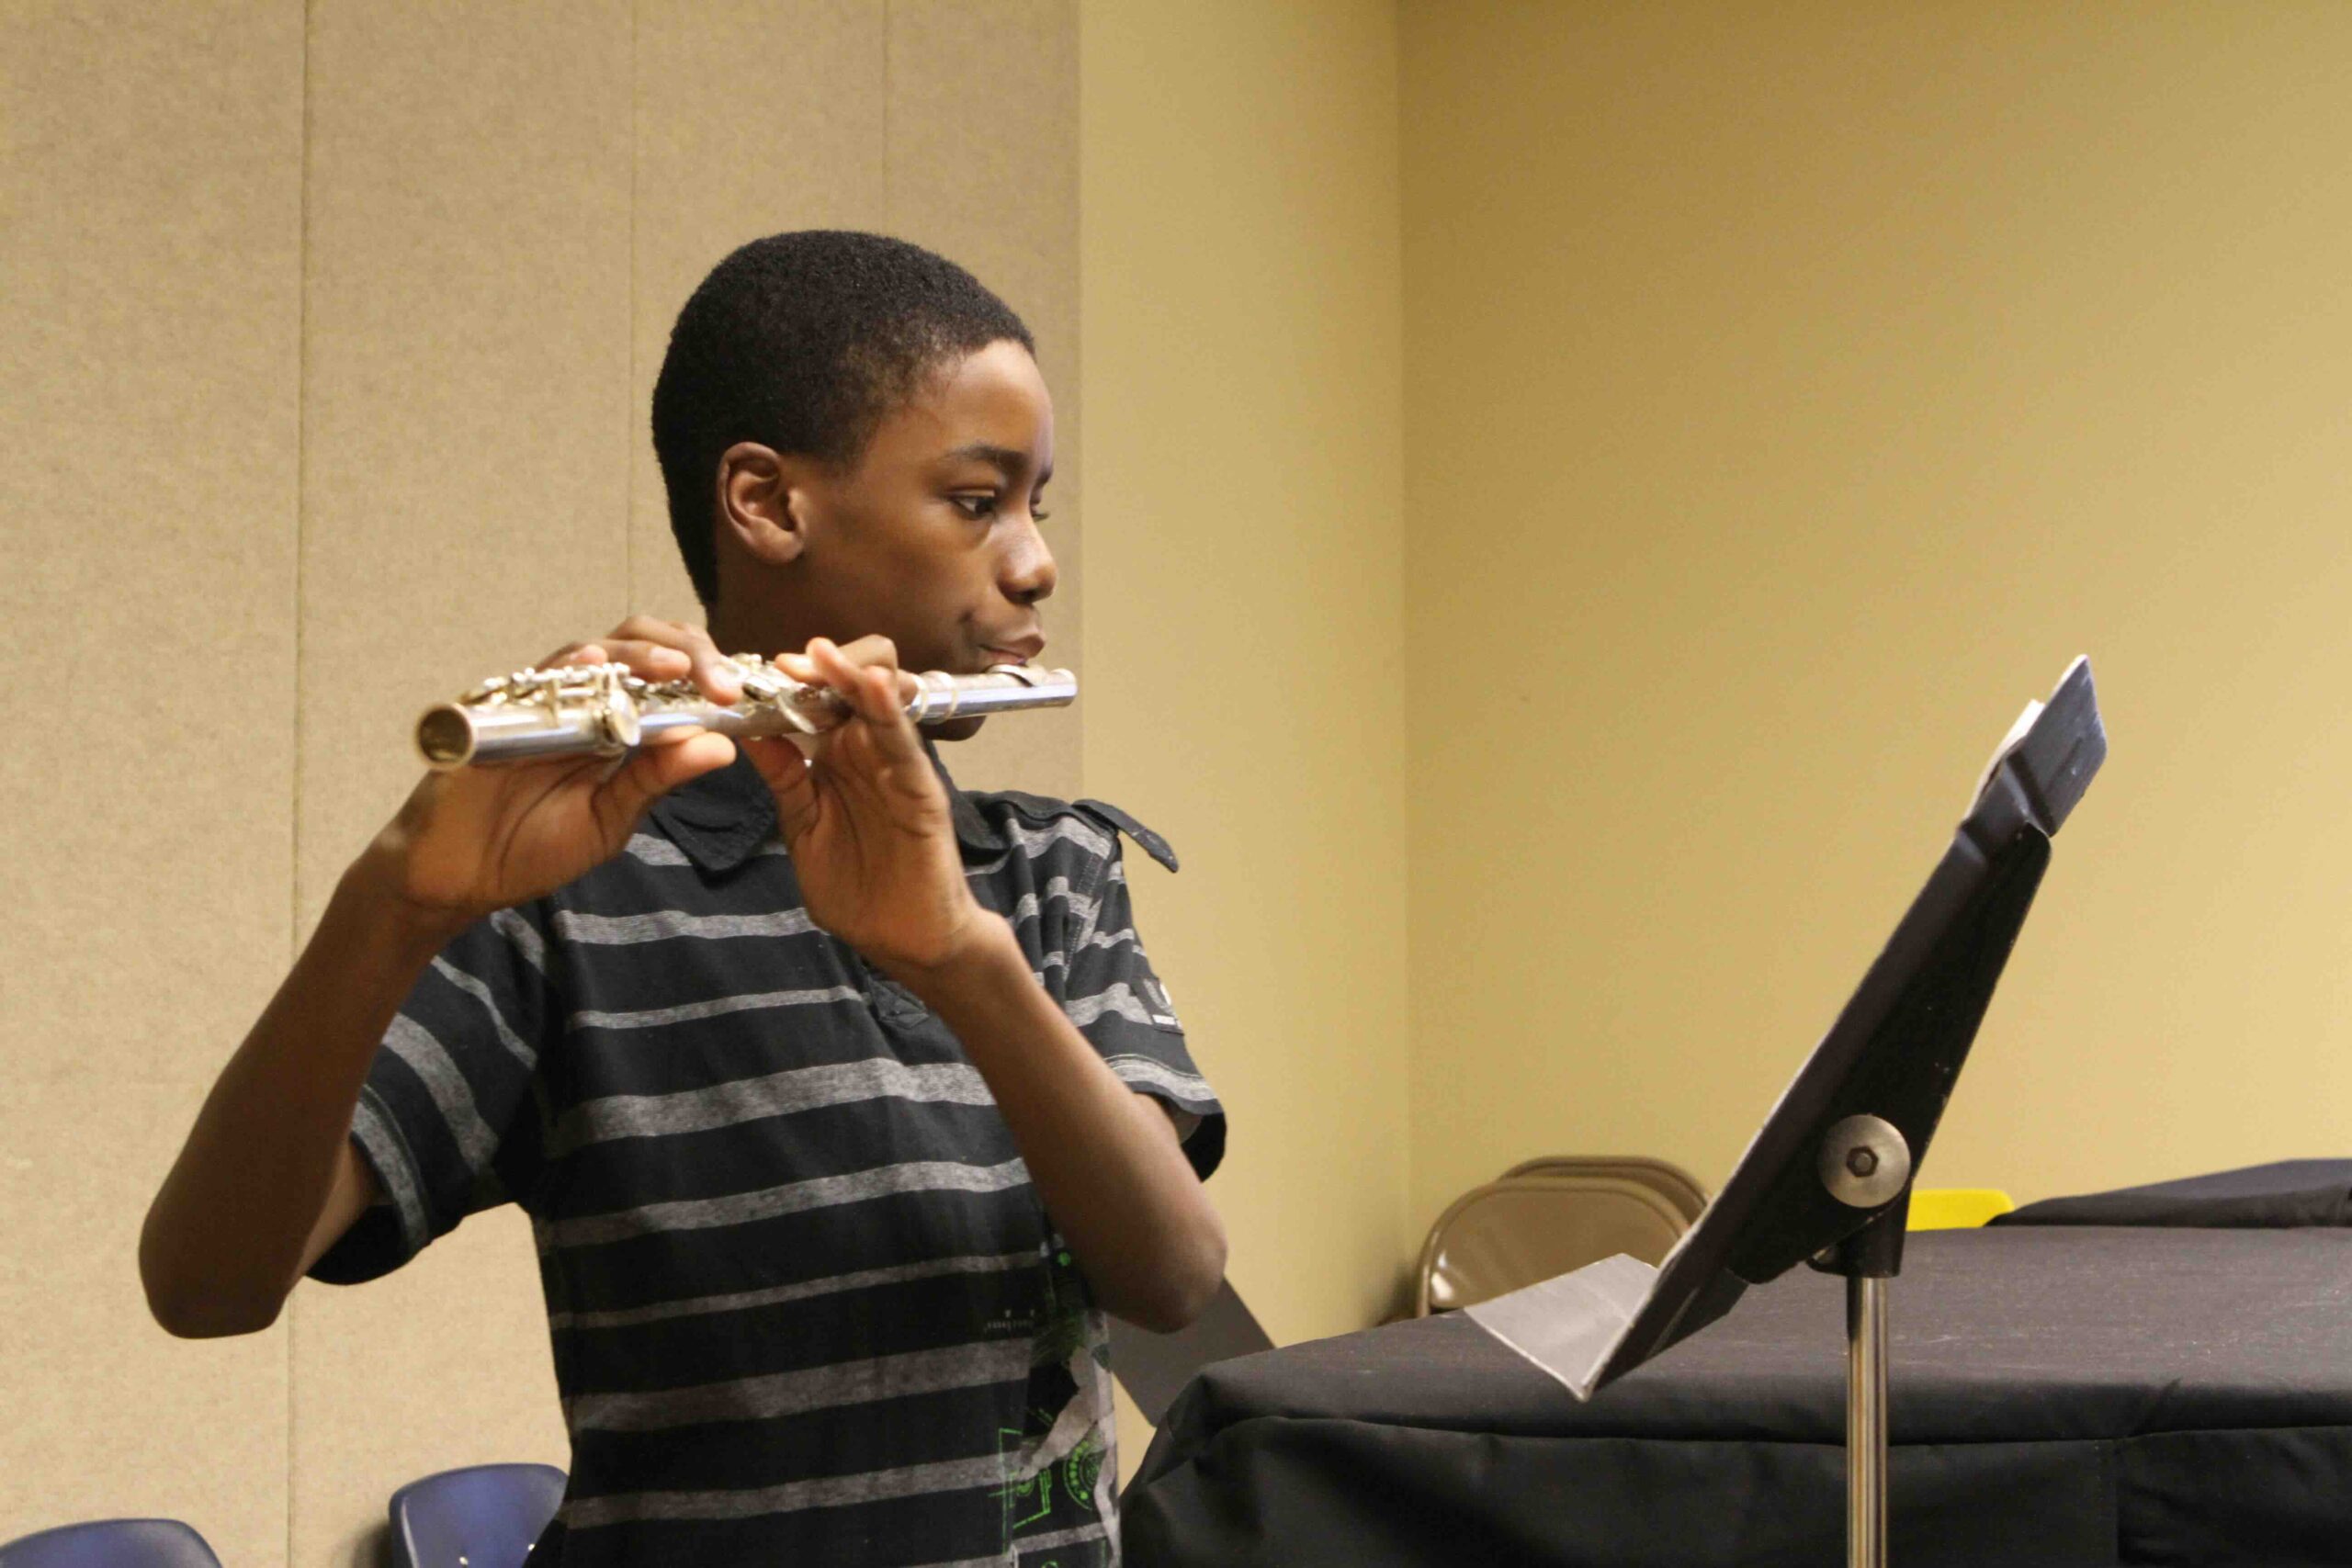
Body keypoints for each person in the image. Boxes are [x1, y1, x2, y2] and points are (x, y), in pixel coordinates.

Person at [139, 231, 1227, 1566]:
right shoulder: (577, 897)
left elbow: (1173, 1281)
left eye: (1035, 508)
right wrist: (396, 906)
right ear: (767, 504)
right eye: (974, 499)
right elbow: (204, 1286)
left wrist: (960, 960)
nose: (1033, 562)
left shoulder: (1049, 877)